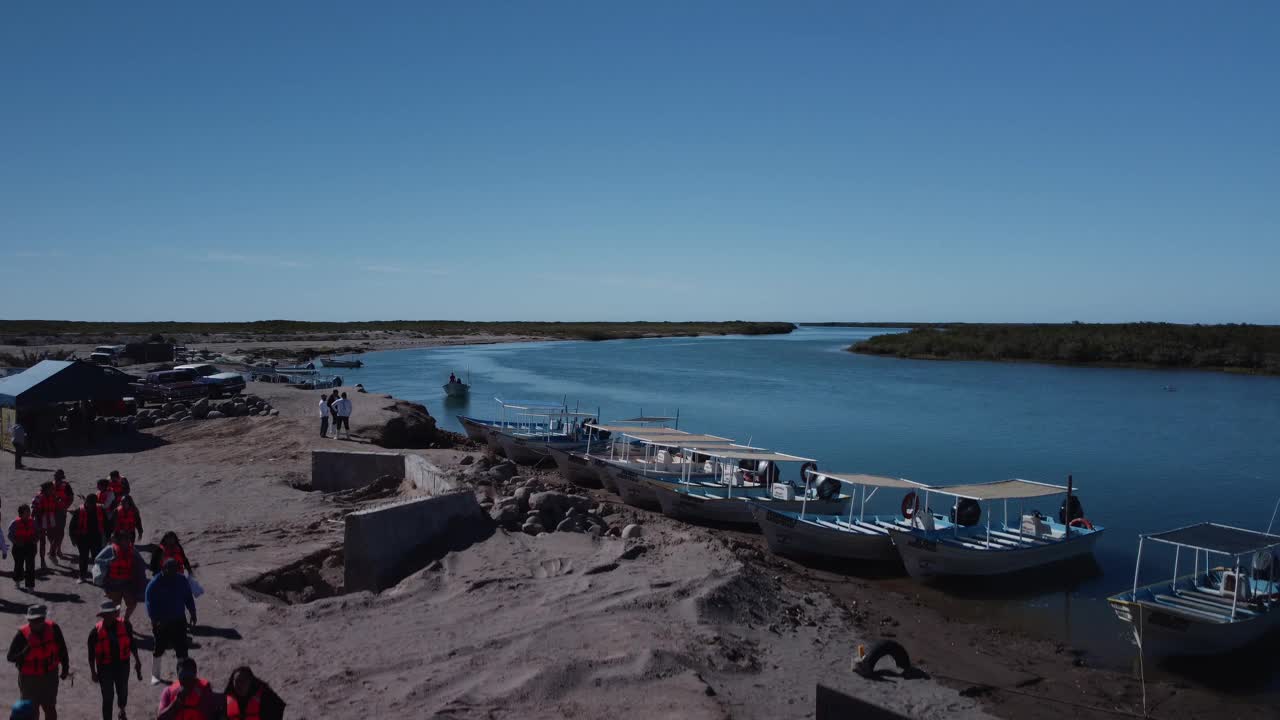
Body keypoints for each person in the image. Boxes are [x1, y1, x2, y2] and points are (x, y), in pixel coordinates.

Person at [6, 605, 69, 720]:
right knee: (31, 710)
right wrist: (25, 651)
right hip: (29, 679)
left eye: (39, 620)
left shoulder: (54, 628)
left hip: (50, 675)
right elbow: (10, 657)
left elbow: (62, 650)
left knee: (50, 707)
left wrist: (65, 668)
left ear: (44, 619)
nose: (36, 623)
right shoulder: (22, 635)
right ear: (29, 620)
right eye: (33, 620)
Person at [87, 601, 142, 720]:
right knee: (107, 696)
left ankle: (122, 711)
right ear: (102, 616)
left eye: (111, 614)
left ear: (115, 613)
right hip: (105, 668)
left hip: (123, 665)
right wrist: (93, 672)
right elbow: (91, 655)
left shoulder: (126, 626)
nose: (108, 617)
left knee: (123, 690)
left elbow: (132, 644)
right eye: (106, 615)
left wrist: (137, 660)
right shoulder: (95, 633)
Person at [144, 559, 195, 686]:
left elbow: (188, 597)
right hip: (162, 622)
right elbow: (149, 604)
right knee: (159, 648)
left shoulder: (181, 580)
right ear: (163, 569)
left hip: (179, 620)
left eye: (175, 569)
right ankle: (155, 675)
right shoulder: (155, 583)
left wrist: (193, 612)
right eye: (170, 569)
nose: (173, 572)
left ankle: (182, 675)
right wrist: (155, 620)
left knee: (182, 649)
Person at [95, 531, 147, 623]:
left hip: (128, 583)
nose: (127, 541)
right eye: (125, 539)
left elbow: (141, 563)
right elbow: (97, 560)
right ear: (119, 540)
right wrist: (109, 561)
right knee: (116, 606)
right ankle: (116, 622)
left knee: (132, 604)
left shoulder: (133, 550)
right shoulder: (110, 549)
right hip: (113, 583)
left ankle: (126, 619)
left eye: (128, 539)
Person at [71, 495, 109, 583]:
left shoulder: (100, 510)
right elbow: (72, 526)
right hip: (83, 538)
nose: (91, 505)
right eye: (89, 502)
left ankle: (97, 576)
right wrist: (73, 538)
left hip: (96, 538)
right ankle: (82, 576)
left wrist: (107, 536)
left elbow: (107, 524)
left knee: (97, 558)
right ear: (86, 502)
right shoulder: (79, 511)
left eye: (93, 503)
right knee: (83, 557)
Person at [8, 506, 38, 591]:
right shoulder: (14, 523)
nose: (28, 514)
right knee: (18, 565)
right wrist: (16, 542)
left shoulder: (33, 522)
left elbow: (37, 533)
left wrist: (35, 540)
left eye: (29, 512)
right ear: (21, 514)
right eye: (26, 512)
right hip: (18, 547)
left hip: (30, 546)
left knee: (30, 566)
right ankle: (17, 581)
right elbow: (10, 535)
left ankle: (30, 586)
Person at [30, 485, 58, 571]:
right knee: (42, 542)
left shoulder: (53, 496)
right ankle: (42, 560)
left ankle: (51, 551)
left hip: (51, 518)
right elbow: (33, 510)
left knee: (53, 538)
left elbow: (56, 505)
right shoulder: (38, 497)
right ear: (46, 490)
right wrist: (32, 521)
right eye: (51, 489)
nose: (53, 490)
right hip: (41, 520)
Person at [50, 472, 74, 562]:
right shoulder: (50, 485)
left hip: (61, 511)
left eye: (59, 478)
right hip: (51, 511)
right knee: (51, 531)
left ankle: (58, 549)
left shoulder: (66, 486)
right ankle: (54, 547)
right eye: (56, 477)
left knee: (60, 531)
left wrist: (65, 507)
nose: (57, 479)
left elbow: (71, 497)